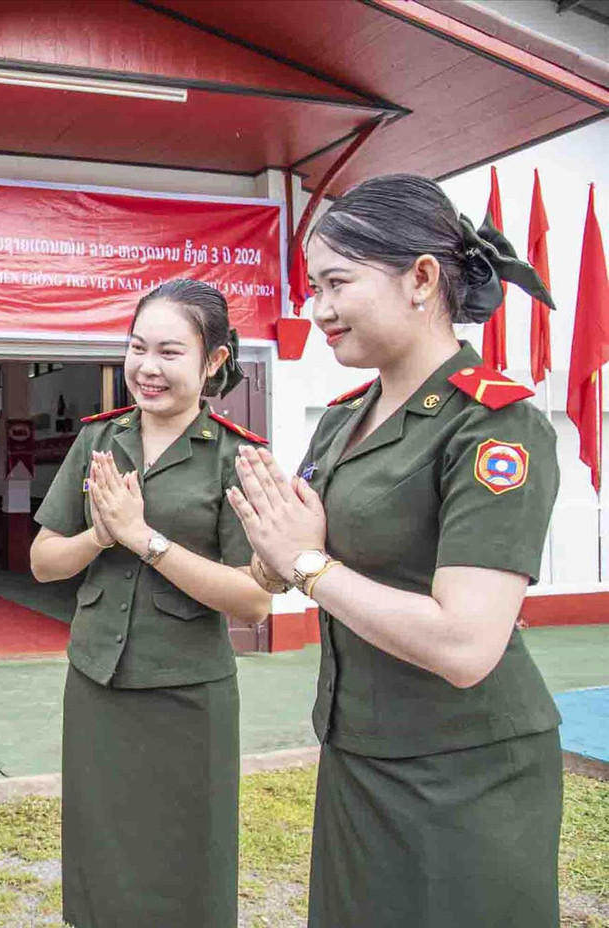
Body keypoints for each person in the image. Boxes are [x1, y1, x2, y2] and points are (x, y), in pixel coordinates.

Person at [228, 173, 563, 927]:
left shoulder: (493, 426)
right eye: (314, 287)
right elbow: (285, 555)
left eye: (337, 284)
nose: (318, 311)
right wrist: (266, 548)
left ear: (420, 278)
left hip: (465, 771)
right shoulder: (342, 422)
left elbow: (467, 644)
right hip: (358, 751)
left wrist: (310, 566)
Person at [30, 279, 272, 928]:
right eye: (137, 348)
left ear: (214, 361)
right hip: (96, 683)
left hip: (187, 694)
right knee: (98, 850)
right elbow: (43, 560)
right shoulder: (99, 442)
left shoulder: (238, 457)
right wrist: (99, 535)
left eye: (169, 351)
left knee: (188, 857)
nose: (147, 368)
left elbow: (254, 600)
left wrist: (144, 539)